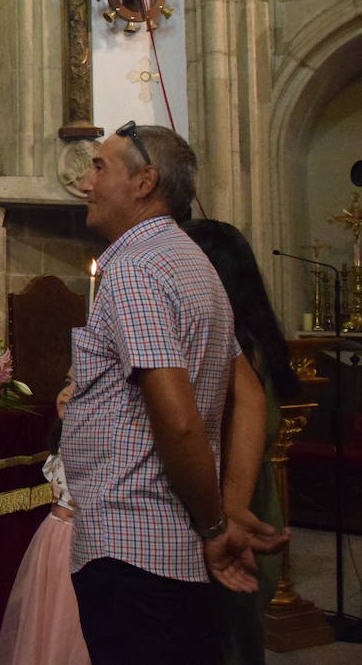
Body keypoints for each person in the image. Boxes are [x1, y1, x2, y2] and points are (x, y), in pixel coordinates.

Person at [61, 121, 268, 664]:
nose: (85, 182)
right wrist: (233, 505)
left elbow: (177, 419)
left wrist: (218, 525)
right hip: (172, 548)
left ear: (145, 180)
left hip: (133, 545)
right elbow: (249, 396)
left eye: (100, 166)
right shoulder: (193, 263)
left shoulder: (134, 270)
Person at [183, 219, 299, 665]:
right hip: (245, 498)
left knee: (226, 633)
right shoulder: (250, 341)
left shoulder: (232, 351)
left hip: (231, 503)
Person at [0, 374, 91, 665]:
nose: (66, 393)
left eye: (80, 386)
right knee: (44, 616)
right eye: (66, 382)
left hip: (77, 543)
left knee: (70, 616)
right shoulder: (61, 443)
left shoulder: (93, 446)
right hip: (51, 540)